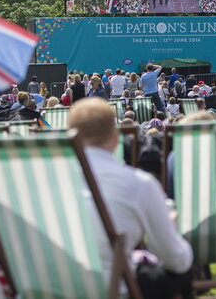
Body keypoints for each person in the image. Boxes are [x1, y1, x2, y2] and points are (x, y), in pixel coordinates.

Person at [68, 98, 193, 297]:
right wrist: (172, 228)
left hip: (51, 287)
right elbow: (176, 259)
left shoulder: (47, 185)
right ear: (116, 138)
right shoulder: (138, 184)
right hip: (113, 288)